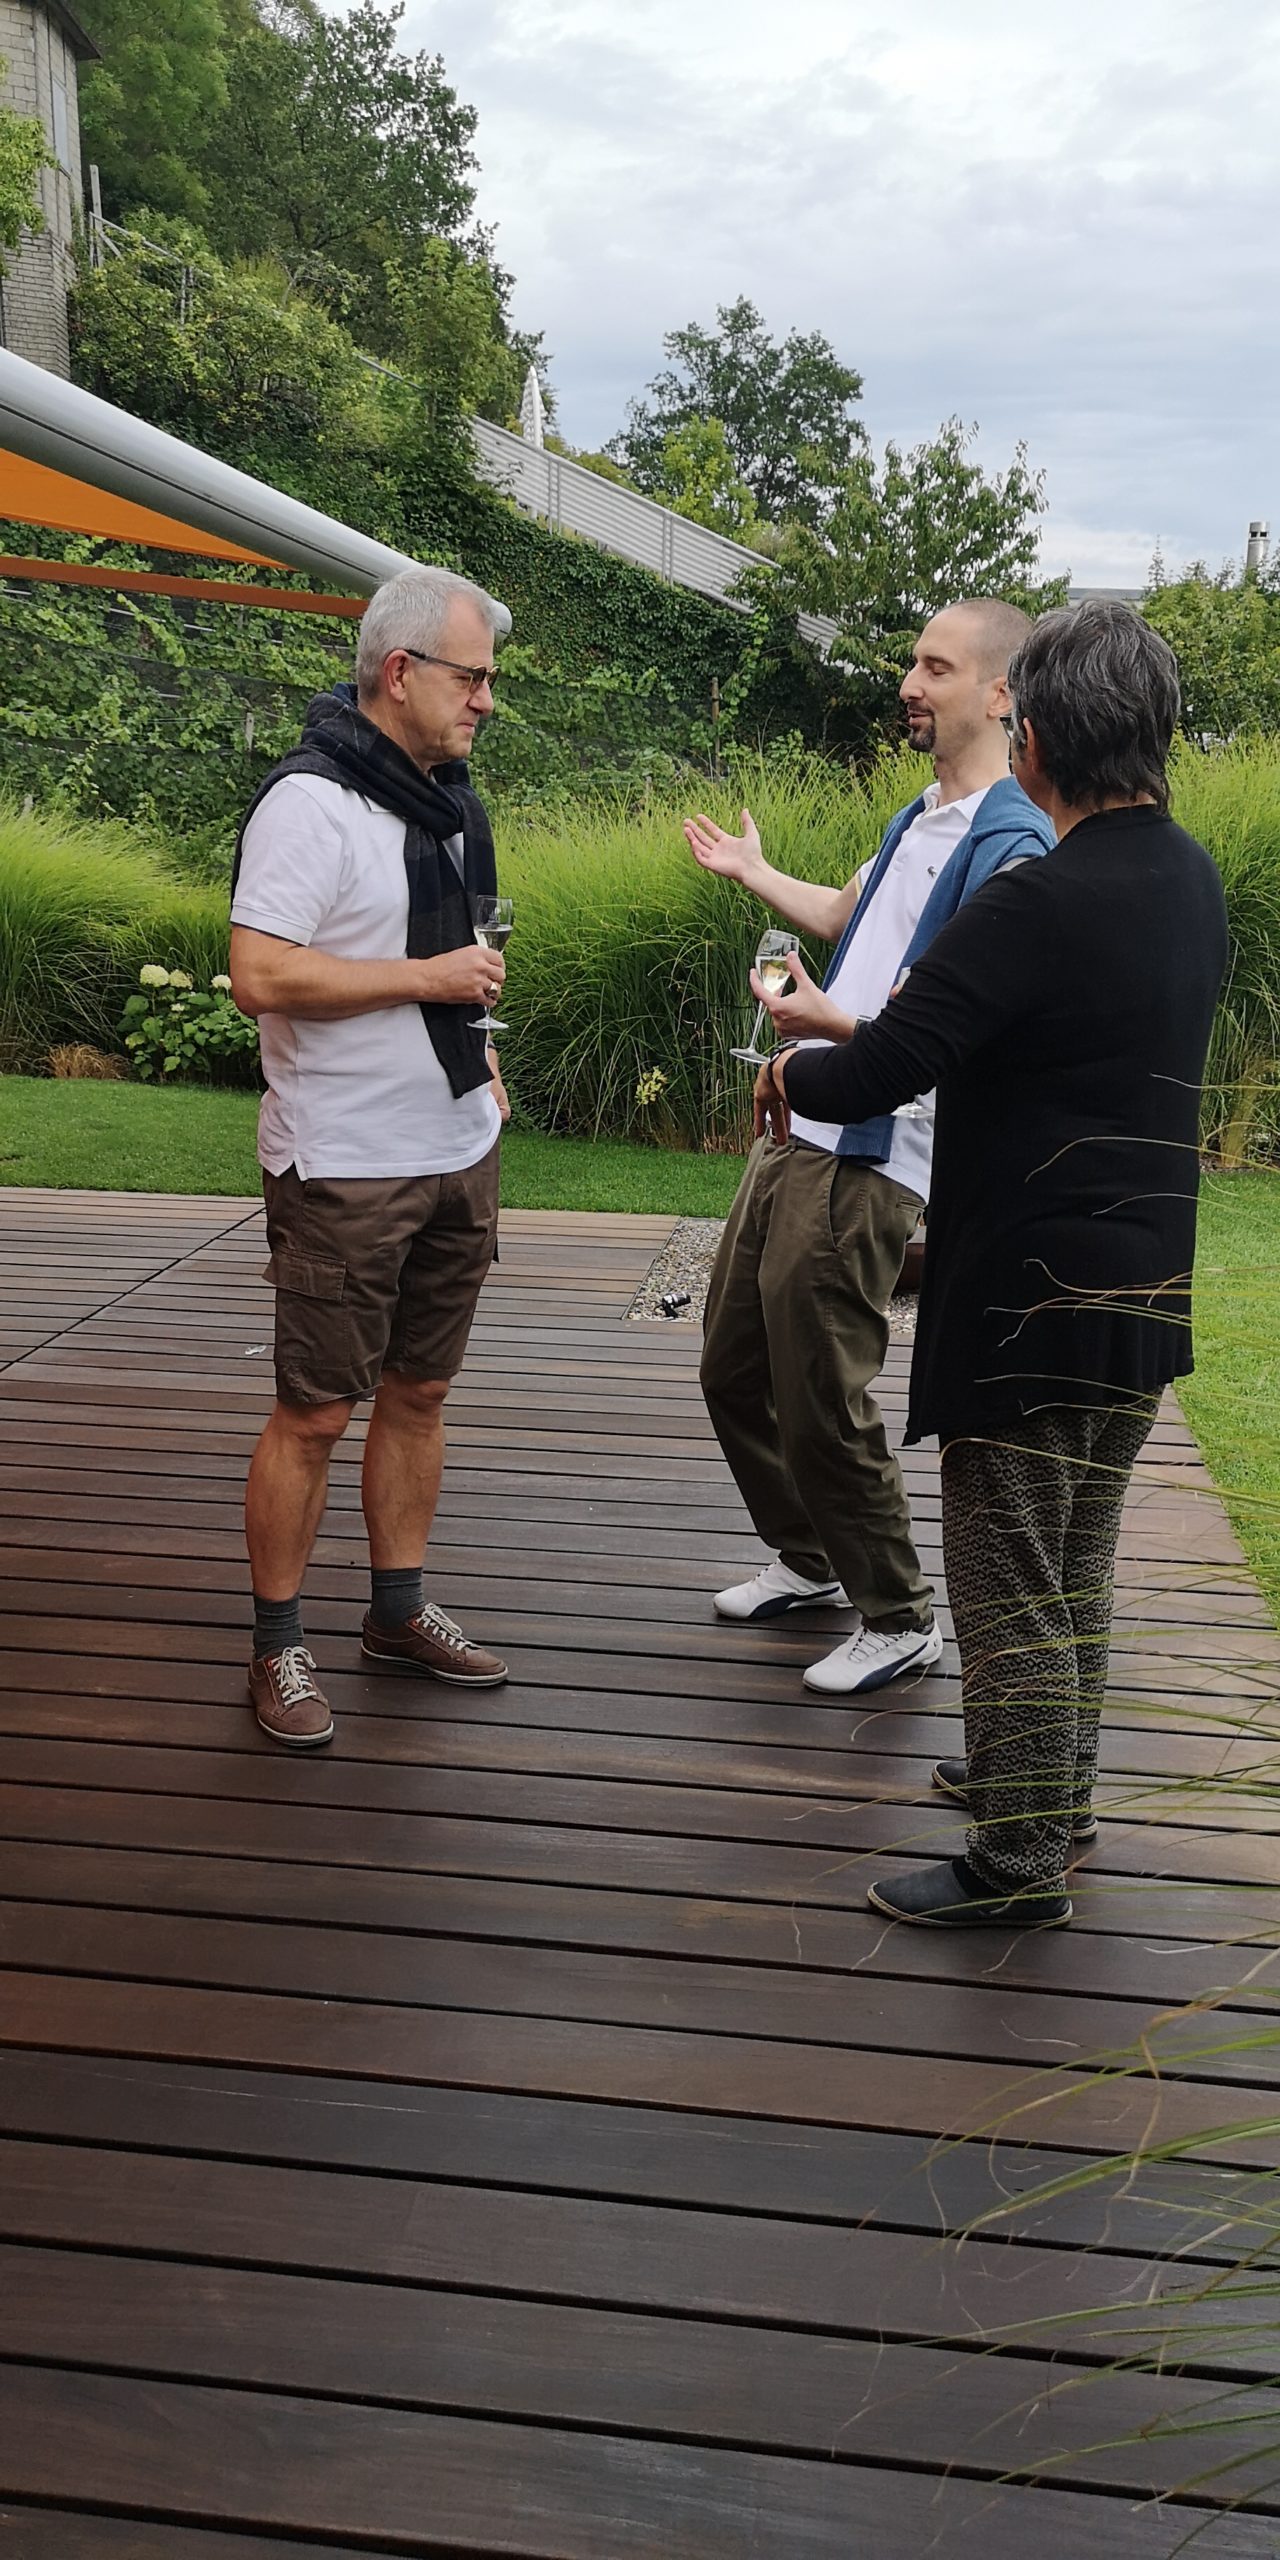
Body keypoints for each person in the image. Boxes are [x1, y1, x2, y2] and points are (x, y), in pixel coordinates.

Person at [764, 599, 1229, 1925]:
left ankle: (1015, 1864)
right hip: (1140, 1286)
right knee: (1070, 1565)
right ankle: (1048, 1793)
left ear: (1034, 739)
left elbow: (886, 1059)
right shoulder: (1188, 878)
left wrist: (789, 1071)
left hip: (1030, 1299)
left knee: (1011, 1581)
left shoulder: (1036, 899)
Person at [685, 599, 1052, 1696]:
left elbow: (953, 1022)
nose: (909, 682)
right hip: (802, 1118)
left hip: (877, 1146)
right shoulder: (917, 819)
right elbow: (848, 919)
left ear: (999, 692)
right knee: (730, 1364)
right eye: (912, 663)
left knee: (821, 1392)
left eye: (934, 667)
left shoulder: (1011, 843)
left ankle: (897, 1613)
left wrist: (830, 1026)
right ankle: (810, 1557)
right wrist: (755, 873)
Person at [228, 565, 514, 1749]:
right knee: (314, 1412)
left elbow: (464, 963)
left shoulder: (447, 804)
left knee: (420, 1392)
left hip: (456, 1142)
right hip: (345, 1161)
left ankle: (395, 1612)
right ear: (400, 672)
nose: (486, 700)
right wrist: (425, 979)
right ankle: (276, 1645)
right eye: (471, 677)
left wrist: (478, 1056)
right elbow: (258, 973)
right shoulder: (311, 803)